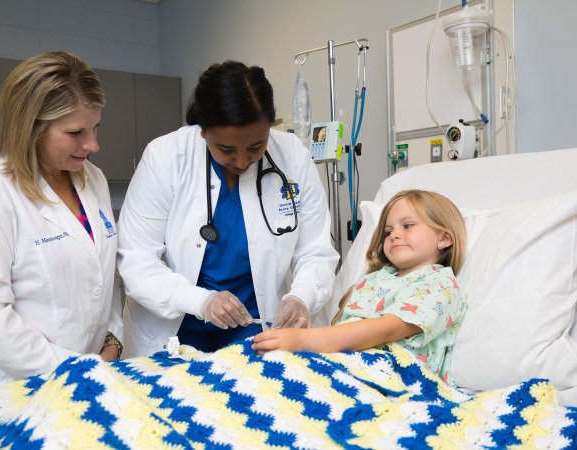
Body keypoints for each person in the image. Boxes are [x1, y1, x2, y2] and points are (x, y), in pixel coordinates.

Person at [117, 60, 339, 356]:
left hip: (254, 328)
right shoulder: (166, 157)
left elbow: (316, 250)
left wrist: (301, 296)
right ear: (203, 131)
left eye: (256, 146)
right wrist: (201, 301)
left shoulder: (293, 157)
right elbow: (136, 260)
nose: (242, 161)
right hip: (174, 330)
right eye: (226, 150)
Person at [0, 51, 123, 382]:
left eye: (96, 128)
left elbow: (104, 277)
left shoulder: (92, 178)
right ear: (30, 128)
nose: (92, 144)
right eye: (76, 132)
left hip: (94, 372)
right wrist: (77, 369)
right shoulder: (0, 191)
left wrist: (113, 339)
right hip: (24, 385)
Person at [253, 189, 467, 383]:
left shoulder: (441, 284)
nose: (394, 234)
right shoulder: (371, 281)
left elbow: (387, 330)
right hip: (345, 365)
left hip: (393, 378)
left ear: (444, 239)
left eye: (408, 226)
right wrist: (303, 337)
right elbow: (341, 331)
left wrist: (306, 341)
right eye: (388, 231)